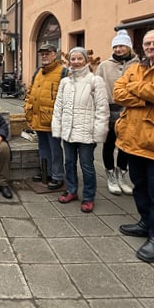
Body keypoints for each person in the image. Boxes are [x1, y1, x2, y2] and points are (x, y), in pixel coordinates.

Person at [115, 29, 154, 263]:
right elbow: (118, 93)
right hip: (133, 139)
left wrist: (135, 90)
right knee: (139, 185)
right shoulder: (135, 68)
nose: (151, 47)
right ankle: (145, 223)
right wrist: (147, 95)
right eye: (147, 44)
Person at [51, 47, 109, 213]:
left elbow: (102, 108)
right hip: (68, 131)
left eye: (79, 59)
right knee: (69, 163)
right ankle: (71, 190)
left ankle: (89, 197)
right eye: (73, 59)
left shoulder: (94, 81)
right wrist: (58, 127)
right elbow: (59, 107)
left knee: (87, 166)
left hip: (86, 132)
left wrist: (99, 131)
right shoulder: (65, 82)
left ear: (86, 60)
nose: (75, 62)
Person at [95, 29, 139, 195]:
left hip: (130, 111)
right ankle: (110, 175)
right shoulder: (104, 66)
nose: (118, 49)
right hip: (109, 110)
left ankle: (122, 175)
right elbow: (97, 89)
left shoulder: (137, 65)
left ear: (129, 47)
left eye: (122, 46)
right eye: (116, 47)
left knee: (126, 146)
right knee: (108, 144)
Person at [23, 42, 67, 190]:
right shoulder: (38, 72)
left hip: (53, 119)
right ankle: (45, 172)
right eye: (42, 54)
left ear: (55, 54)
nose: (44, 56)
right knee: (43, 147)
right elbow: (30, 92)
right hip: (38, 117)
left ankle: (57, 176)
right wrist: (27, 108)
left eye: (47, 53)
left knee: (55, 149)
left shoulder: (62, 72)